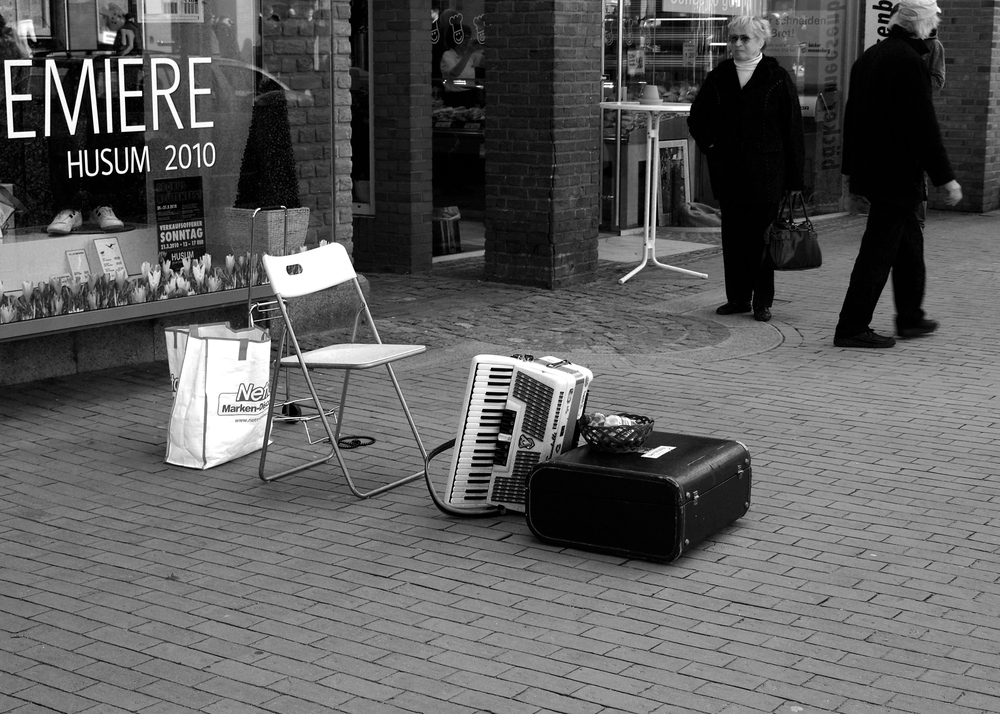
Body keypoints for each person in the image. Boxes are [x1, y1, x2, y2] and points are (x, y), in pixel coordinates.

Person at [833, 0, 961, 348]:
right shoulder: (907, 63)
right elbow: (923, 127)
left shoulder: (870, 58)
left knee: (908, 247)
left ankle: (910, 318)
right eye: (933, 20)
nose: (935, 26)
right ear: (920, 24)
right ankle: (851, 327)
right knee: (877, 254)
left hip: (878, 173)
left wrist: (849, 174)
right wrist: (945, 177)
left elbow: (852, 120)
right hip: (895, 176)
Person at [687, 15, 805, 323]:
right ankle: (737, 298)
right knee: (733, 237)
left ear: (761, 41)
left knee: (762, 240)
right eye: (733, 38)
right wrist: (712, 145)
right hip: (729, 171)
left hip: (767, 172)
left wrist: (795, 179)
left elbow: (792, 129)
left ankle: (762, 301)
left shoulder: (777, 77)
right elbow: (697, 118)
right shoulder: (720, 76)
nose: (738, 44)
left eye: (745, 38)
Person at [439, 22, 483, 108]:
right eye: (463, 38)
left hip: (470, 96)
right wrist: (469, 52)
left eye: (468, 38)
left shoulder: (471, 55)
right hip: (455, 99)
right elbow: (455, 73)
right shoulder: (448, 55)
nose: (466, 41)